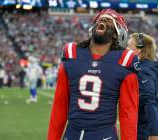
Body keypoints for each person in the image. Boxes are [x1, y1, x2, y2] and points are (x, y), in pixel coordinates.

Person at [48, 9, 140, 140]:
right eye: (101, 19)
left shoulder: (124, 60)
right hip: (72, 133)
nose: (103, 20)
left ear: (116, 34)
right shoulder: (72, 53)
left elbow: (128, 113)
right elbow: (59, 105)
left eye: (109, 21)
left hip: (103, 135)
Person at [127, 33, 158, 140]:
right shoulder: (153, 68)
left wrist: (154, 134)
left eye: (129, 46)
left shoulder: (143, 71)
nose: (125, 49)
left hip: (148, 131)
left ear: (138, 51)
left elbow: (149, 101)